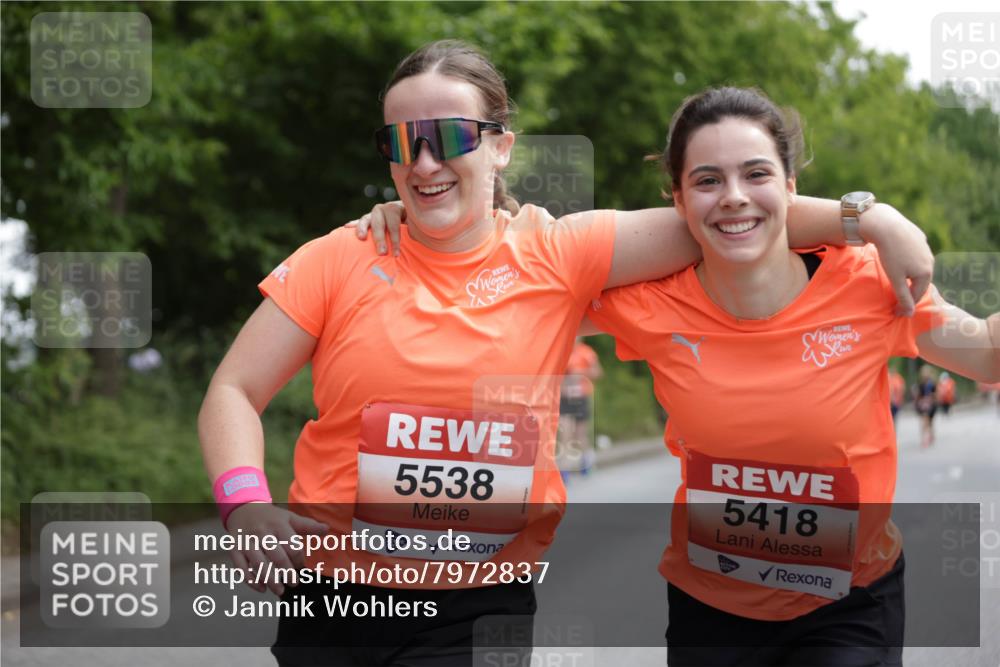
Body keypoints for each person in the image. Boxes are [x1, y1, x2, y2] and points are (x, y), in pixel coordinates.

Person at [199, 40, 938, 666]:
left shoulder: (559, 253)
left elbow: (724, 209)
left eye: (449, 136)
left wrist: (865, 218)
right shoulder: (343, 256)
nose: (423, 163)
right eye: (401, 142)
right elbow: (234, 388)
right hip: (337, 594)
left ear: (500, 145)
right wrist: (243, 502)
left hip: (478, 601)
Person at [580, 86, 1000, 666]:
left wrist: (869, 222)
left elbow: (985, 354)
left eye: (756, 174)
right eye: (707, 181)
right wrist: (411, 232)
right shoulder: (650, 304)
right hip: (711, 609)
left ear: (792, 187)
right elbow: (517, 293)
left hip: (849, 607)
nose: (733, 197)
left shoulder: (868, 283)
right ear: (675, 200)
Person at [557, 338, 602, 476]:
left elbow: (598, 373)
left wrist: (580, 373)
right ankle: (564, 470)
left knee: (580, 434)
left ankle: (586, 461)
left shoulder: (586, 352)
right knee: (565, 434)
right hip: (564, 398)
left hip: (580, 398)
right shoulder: (560, 350)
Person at [913, 364, 939, 448]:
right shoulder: (921, 384)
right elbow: (918, 395)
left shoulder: (932, 383)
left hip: (931, 405)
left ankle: (931, 434)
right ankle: (924, 438)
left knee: (930, 422)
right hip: (923, 405)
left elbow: (936, 395)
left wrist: (931, 398)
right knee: (924, 421)